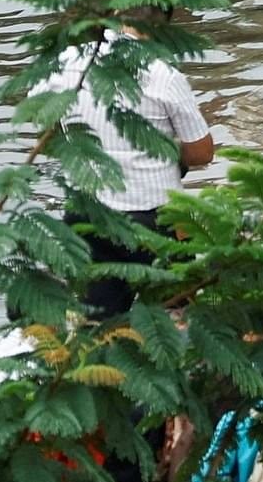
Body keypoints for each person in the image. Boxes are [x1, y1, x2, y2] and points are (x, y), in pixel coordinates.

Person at [50, 29, 214, 316]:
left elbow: (40, 116)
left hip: (86, 215)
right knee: (173, 319)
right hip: (155, 219)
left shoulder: (67, 60)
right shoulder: (162, 73)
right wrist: (166, 152)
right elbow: (201, 152)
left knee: (97, 324)